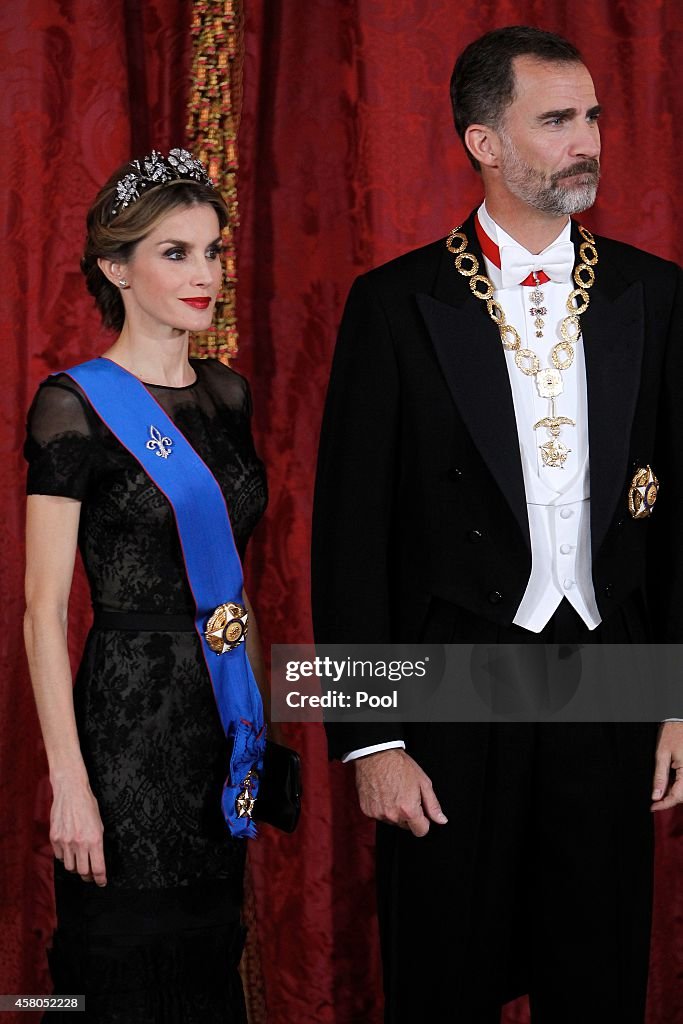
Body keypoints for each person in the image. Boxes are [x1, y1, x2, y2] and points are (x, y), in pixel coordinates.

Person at [312, 26, 683, 1024]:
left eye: (592, 116)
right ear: (482, 141)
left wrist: (675, 697)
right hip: (446, 685)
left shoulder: (654, 293)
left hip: (607, 674)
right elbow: (348, 533)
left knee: (596, 968)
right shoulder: (392, 304)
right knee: (442, 970)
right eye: (555, 119)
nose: (587, 140)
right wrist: (368, 737)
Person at [24, 148, 269, 1022]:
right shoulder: (73, 405)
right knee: (118, 978)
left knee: (208, 965)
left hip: (217, 720)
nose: (204, 274)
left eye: (211, 251)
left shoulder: (229, 396)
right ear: (114, 267)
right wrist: (72, 784)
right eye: (176, 253)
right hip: (123, 737)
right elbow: (41, 611)